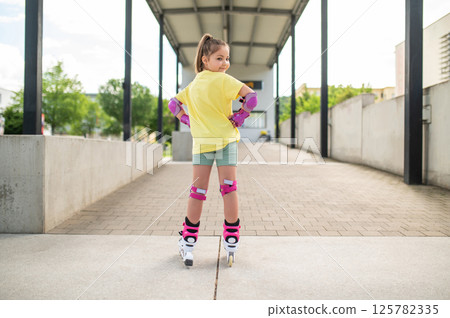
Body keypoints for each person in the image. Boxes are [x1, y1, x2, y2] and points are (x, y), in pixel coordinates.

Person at [168, 33, 258, 267]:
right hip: (226, 140)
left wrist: (186, 120)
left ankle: (188, 242)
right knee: (229, 189)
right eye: (220, 58)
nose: (225, 64)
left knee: (198, 192)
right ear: (205, 59)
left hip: (202, 144)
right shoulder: (226, 81)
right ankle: (231, 238)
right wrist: (240, 117)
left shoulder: (193, 85)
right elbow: (251, 99)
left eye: (227, 59)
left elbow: (173, 104)